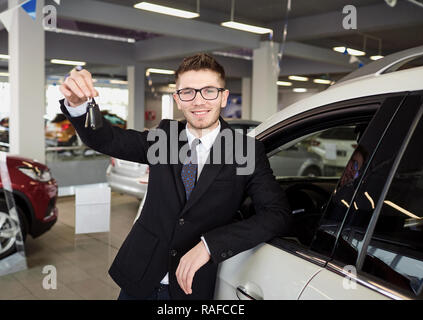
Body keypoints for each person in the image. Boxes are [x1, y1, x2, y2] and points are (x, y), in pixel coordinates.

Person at [59, 53, 291, 300]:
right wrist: (78, 105)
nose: (198, 101)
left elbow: (276, 214)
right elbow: (107, 139)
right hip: (141, 277)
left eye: (209, 91)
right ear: (177, 100)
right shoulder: (165, 137)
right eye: (188, 92)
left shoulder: (244, 151)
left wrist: (210, 245)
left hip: (192, 287)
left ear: (224, 97)